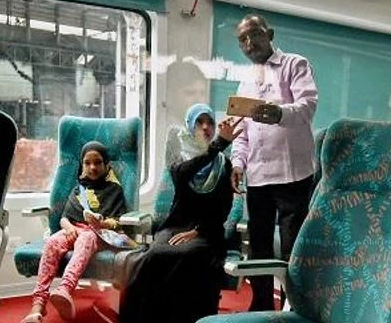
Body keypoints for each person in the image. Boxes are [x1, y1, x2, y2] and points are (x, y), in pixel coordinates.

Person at [119, 104, 242, 323]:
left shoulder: (224, 164)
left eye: (210, 122)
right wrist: (218, 145)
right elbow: (184, 174)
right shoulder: (180, 158)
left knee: (190, 255)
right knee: (155, 255)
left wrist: (197, 232)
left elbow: (223, 209)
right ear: (189, 127)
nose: (205, 127)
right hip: (175, 226)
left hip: (207, 231)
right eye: (199, 122)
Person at [230, 14, 317, 311]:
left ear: (270, 33)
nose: (249, 43)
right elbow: (241, 133)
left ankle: (294, 306)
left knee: (293, 247)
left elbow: (307, 107)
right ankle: (262, 303)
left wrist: (278, 113)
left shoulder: (296, 64)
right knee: (259, 248)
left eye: (254, 35)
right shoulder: (245, 81)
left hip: (293, 174)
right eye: (242, 39)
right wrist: (238, 163)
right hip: (258, 176)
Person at [20, 142, 128, 323]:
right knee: (53, 242)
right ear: (82, 165)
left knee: (86, 237)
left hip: (97, 233)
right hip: (74, 229)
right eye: (87, 163)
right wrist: (69, 229)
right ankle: (37, 306)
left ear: (107, 164)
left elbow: (119, 222)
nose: (92, 167)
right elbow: (64, 218)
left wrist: (102, 222)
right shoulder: (78, 190)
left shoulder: (114, 190)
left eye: (98, 162)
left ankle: (65, 290)